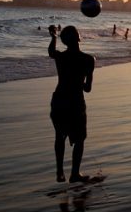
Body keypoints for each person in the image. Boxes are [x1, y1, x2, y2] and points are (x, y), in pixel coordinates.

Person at [48, 25, 95, 183]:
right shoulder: (89, 59)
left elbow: (51, 52)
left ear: (64, 41)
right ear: (79, 38)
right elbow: (88, 88)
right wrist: (77, 80)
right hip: (75, 102)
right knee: (80, 139)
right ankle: (75, 174)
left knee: (59, 136)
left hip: (59, 100)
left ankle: (60, 172)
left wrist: (53, 36)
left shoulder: (61, 58)